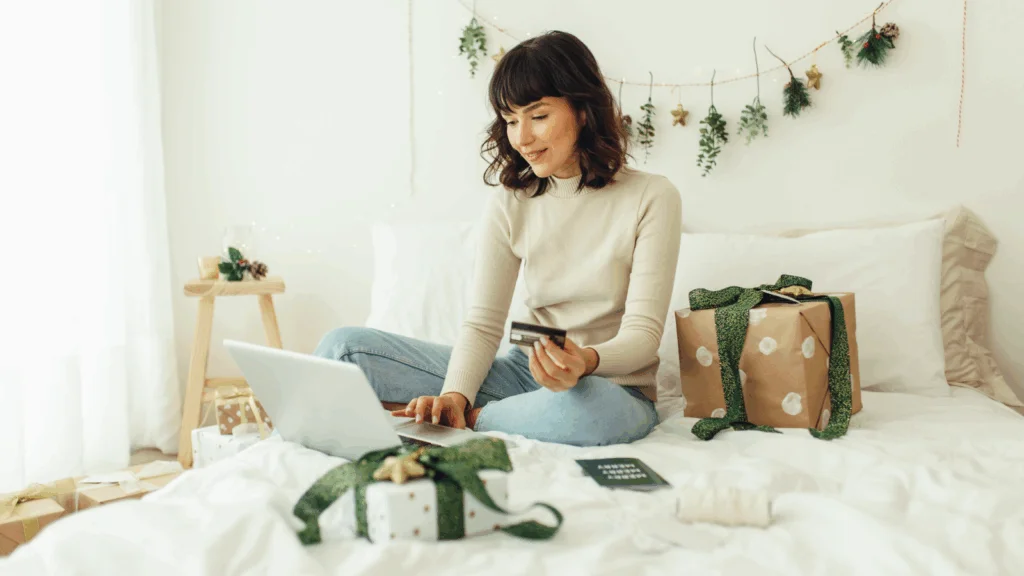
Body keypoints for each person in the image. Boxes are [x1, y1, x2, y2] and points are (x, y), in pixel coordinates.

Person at [314, 31, 681, 447]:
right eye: (510, 120)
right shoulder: (511, 201)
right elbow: (484, 324)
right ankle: (487, 414)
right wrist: (455, 394)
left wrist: (584, 361)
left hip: (609, 387)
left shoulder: (652, 196)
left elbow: (643, 336)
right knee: (343, 348)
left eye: (538, 116)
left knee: (591, 413)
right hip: (522, 374)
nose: (521, 138)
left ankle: (475, 420)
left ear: (583, 111)